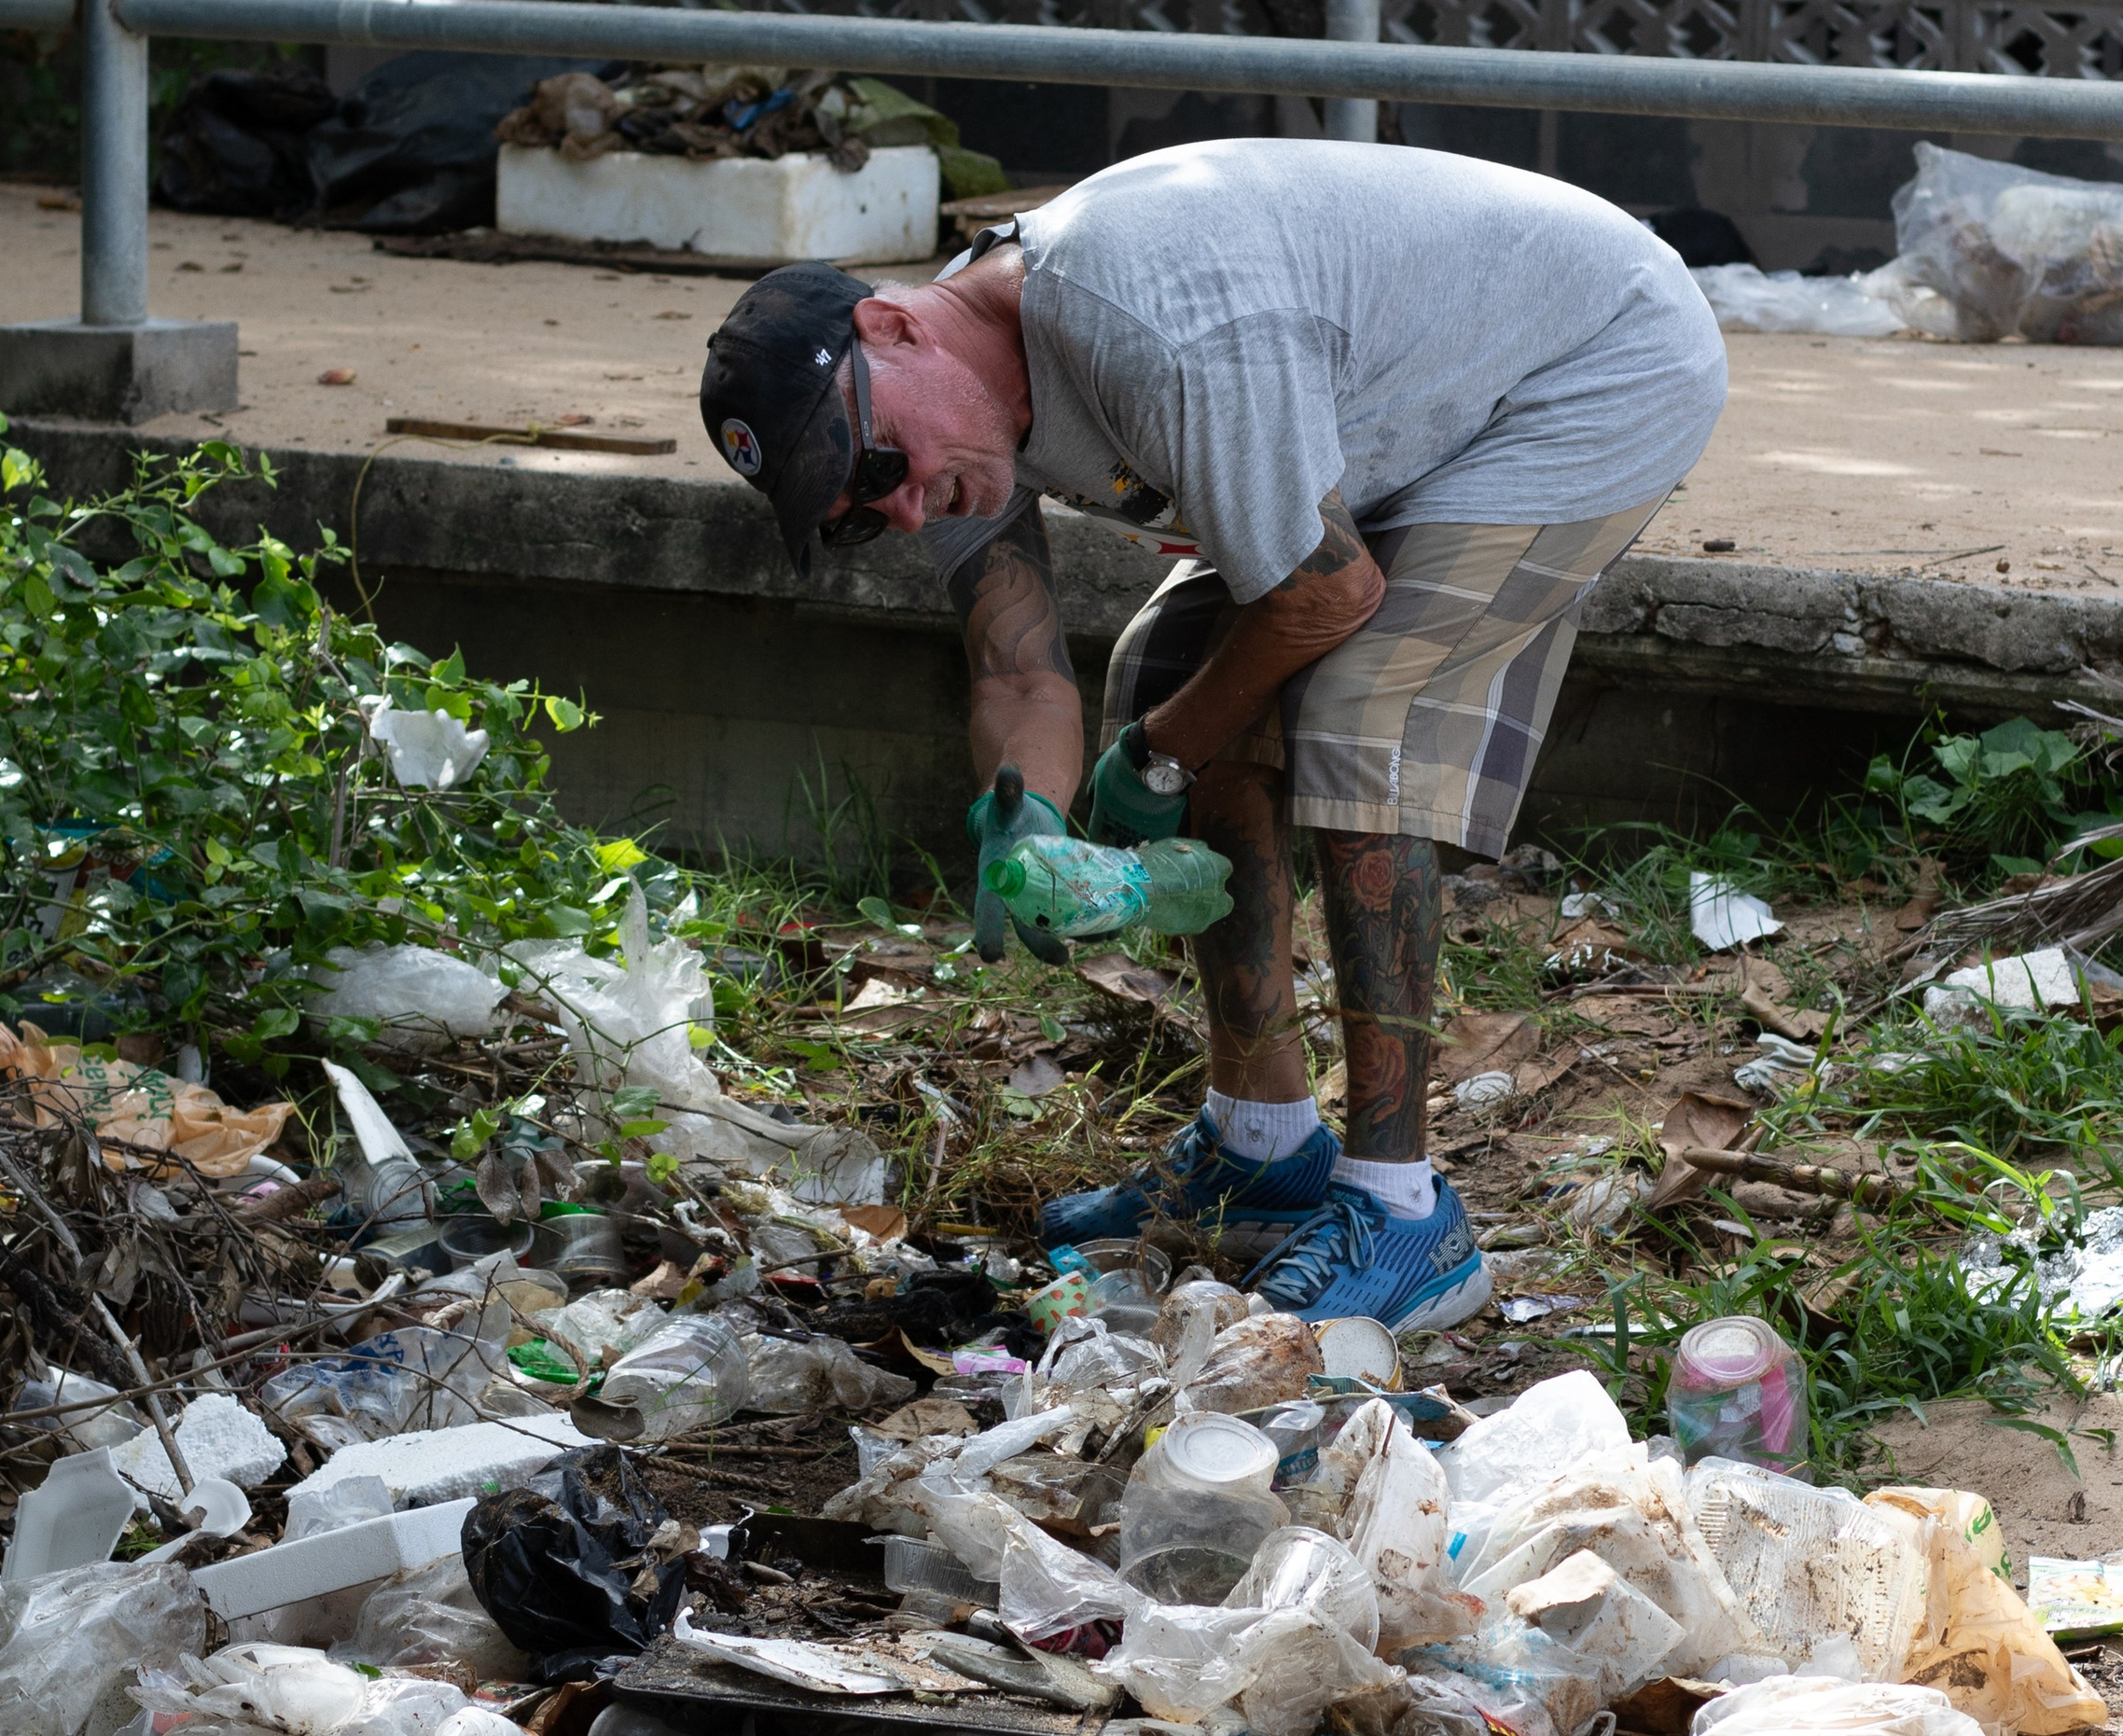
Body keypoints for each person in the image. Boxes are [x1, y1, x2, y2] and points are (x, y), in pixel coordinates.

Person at [697, 136, 1727, 1335]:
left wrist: (1158, 755)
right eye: (860, 512)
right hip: (1393, 396)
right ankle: (1264, 1142)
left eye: (879, 463)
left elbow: (1326, 596)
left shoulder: (1149, 330)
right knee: (1166, 665)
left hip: (1591, 359)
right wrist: (1029, 821)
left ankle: (1406, 1215)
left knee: (1358, 706)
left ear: (895, 328)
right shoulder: (949, 424)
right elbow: (1016, 668)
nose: (907, 507)